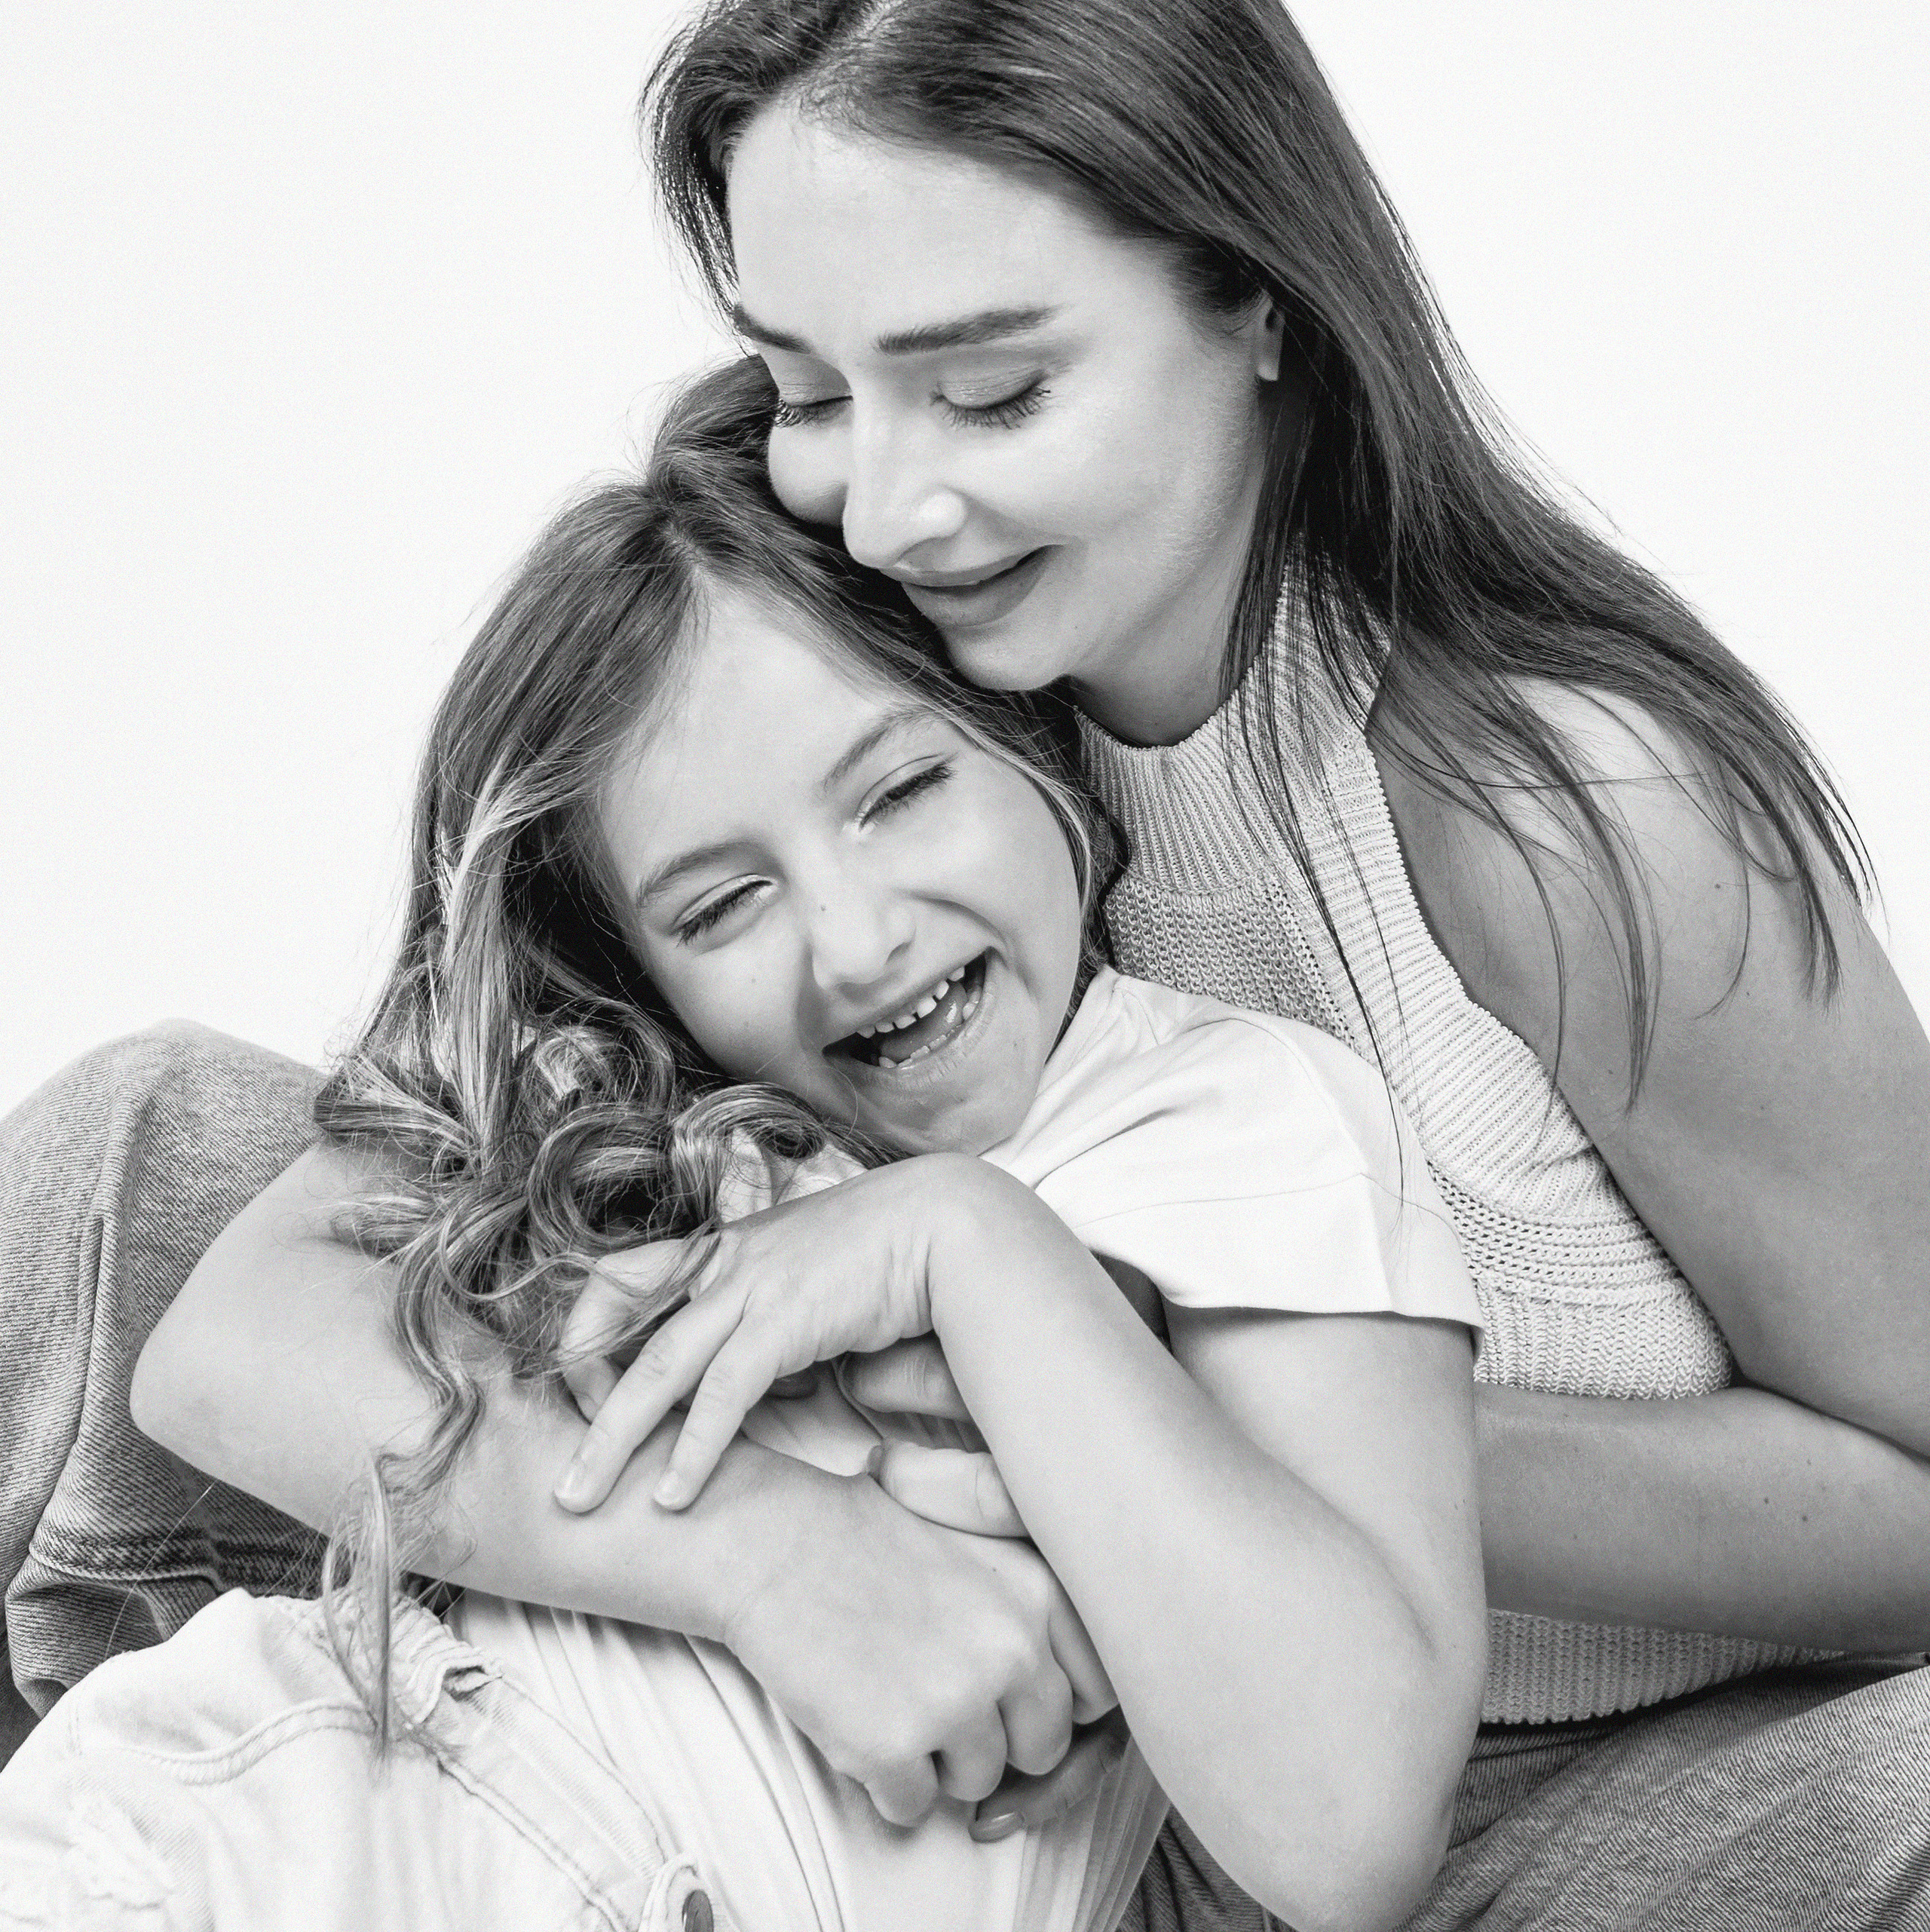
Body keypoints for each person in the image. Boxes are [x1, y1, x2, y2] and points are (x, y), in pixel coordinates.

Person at [4, 0, 1928, 1927]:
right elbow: (265, 1301)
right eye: (815, 384)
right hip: (954, 1717)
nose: (891, 498)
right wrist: (771, 1542)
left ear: (1257, 294)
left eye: (992, 386)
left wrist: (1149, 1395)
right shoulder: (853, 620)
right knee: (140, 1159)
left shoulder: (1550, 806)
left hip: (1523, 1776)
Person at [0, 385, 1485, 1932]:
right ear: (632, 956)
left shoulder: (1232, 1120)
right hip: (321, 1821)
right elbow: (219, 1360)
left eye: (901, 790)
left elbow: (1349, 1824)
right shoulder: (635, 1090)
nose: (853, 942)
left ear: (1025, 731)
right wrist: (770, 1557)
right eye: (719, 906)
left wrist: (961, 1244)